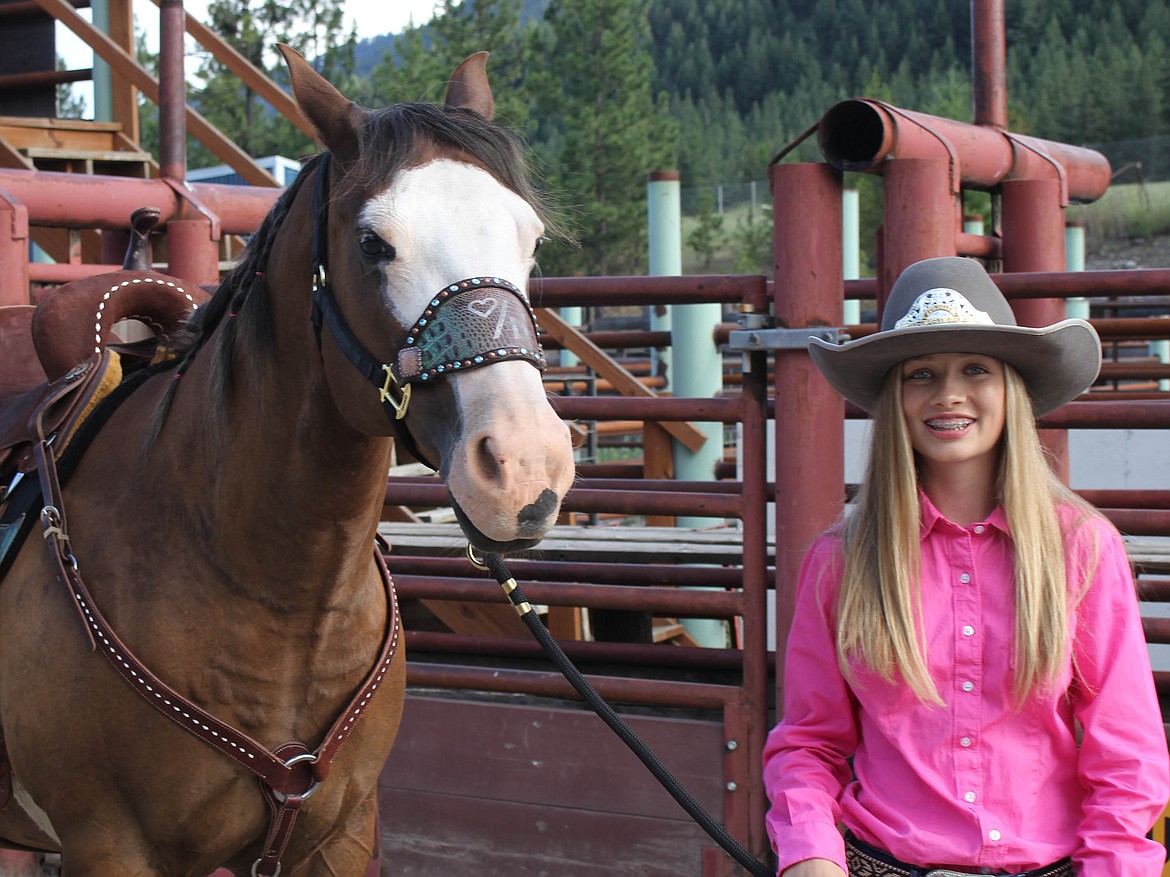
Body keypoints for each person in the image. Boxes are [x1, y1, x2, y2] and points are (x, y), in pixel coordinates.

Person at [763, 256, 1169, 877]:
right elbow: (808, 741)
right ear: (894, 399)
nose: (948, 394)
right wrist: (812, 855)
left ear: (1012, 389)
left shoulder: (1083, 549)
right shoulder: (841, 560)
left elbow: (1128, 754)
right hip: (881, 865)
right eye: (921, 374)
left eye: (975, 369)